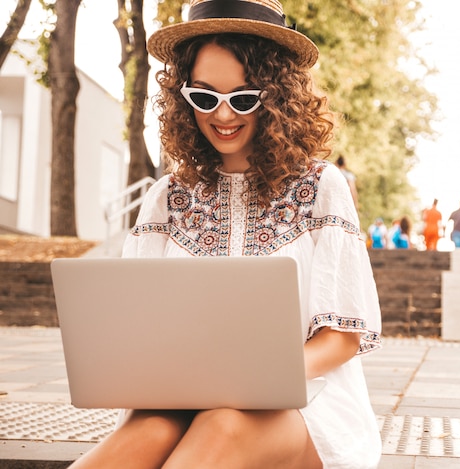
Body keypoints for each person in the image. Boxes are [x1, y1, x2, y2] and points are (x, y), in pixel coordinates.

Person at [69, 1, 382, 468]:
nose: (222, 114)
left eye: (242, 97)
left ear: (275, 96)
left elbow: (341, 339)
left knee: (223, 422)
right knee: (148, 431)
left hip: (306, 407)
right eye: (204, 96)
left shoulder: (321, 187)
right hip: (180, 400)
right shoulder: (164, 199)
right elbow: (140, 332)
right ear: (182, 96)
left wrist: (248, 382)